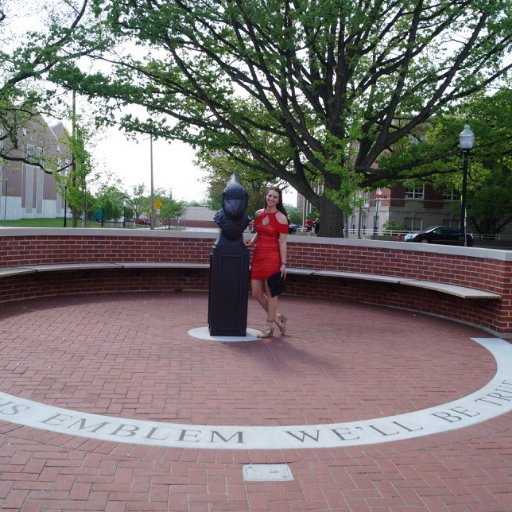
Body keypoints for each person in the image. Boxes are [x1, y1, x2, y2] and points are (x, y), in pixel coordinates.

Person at [245, 187, 289, 338]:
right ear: (266, 196)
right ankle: (278, 318)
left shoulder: (281, 217)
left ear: (279, 200)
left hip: (272, 257)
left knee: (270, 292)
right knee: (256, 292)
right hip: (258, 256)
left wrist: (283, 263)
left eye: (275, 197)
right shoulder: (259, 213)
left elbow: (282, 241)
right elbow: (259, 230)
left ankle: (269, 326)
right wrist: (252, 242)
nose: (271, 199)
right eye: (269, 196)